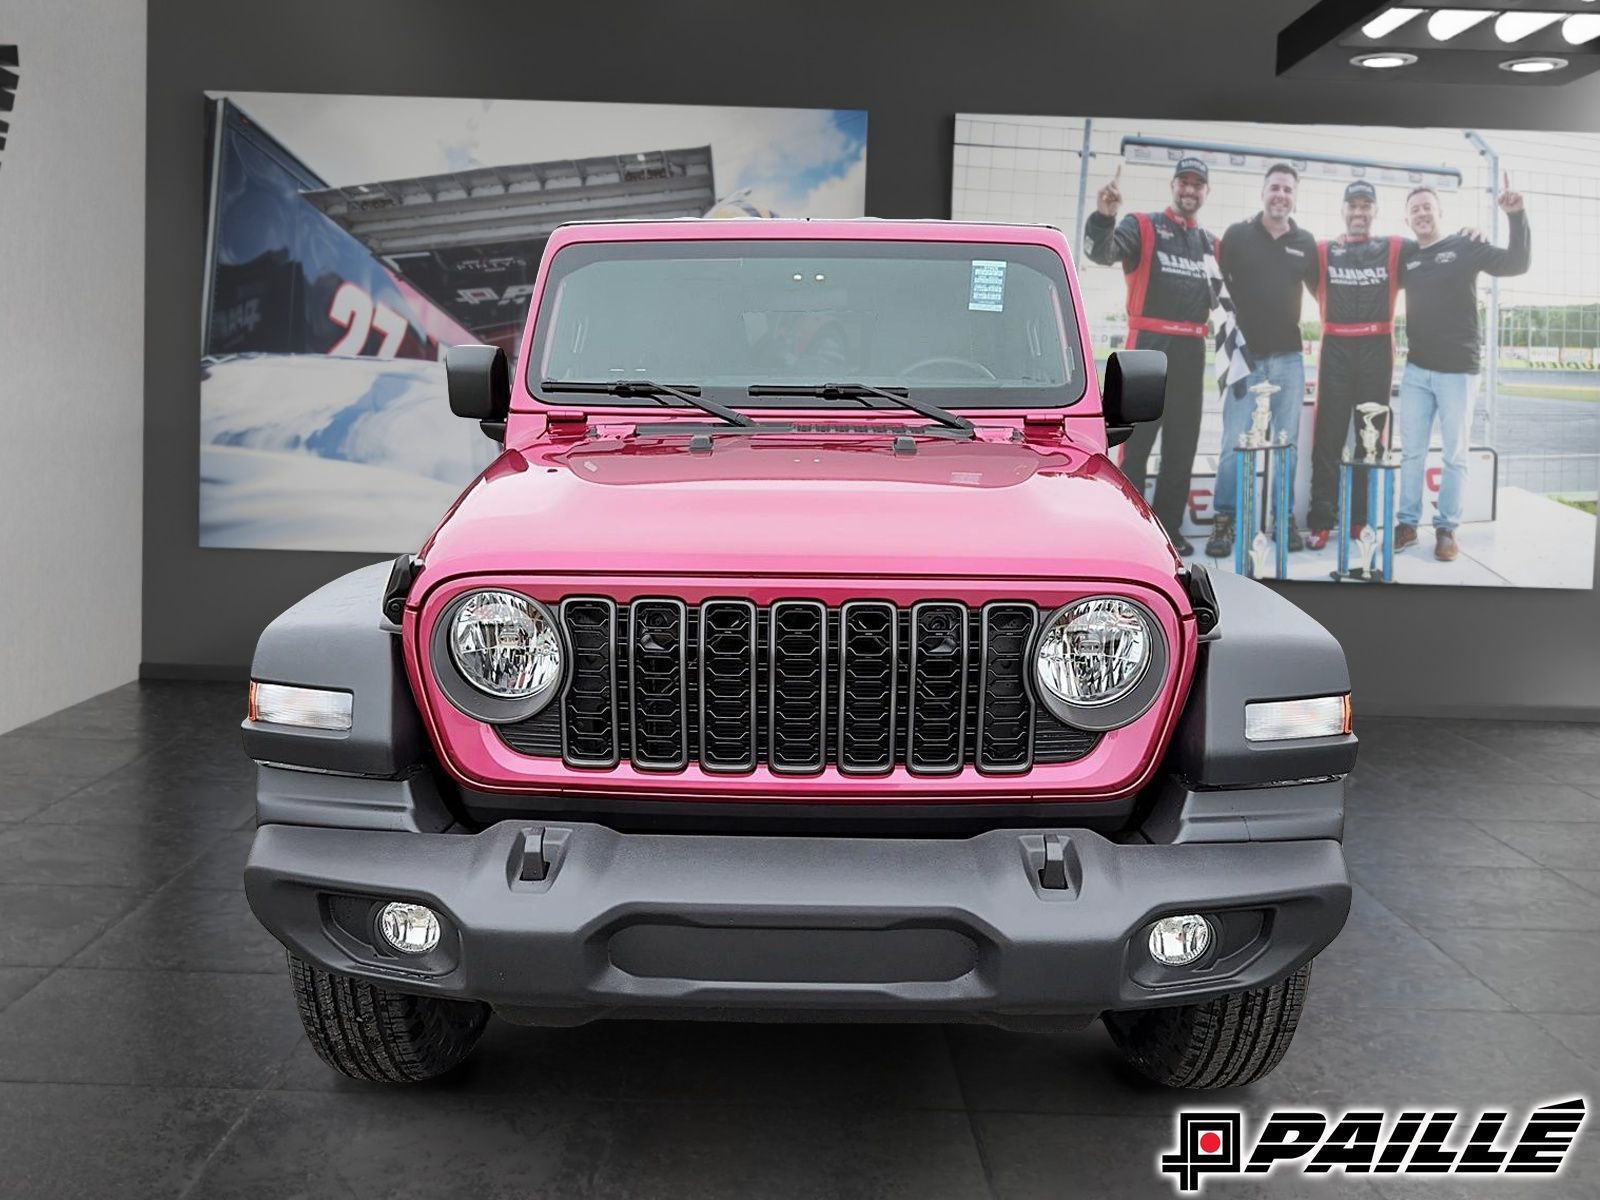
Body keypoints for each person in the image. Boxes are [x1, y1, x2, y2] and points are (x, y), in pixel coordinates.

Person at [1084, 156, 1216, 556]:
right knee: (1136, 447)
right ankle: (1130, 530)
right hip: (1147, 349)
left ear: (1205, 192)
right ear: (1173, 186)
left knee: (1182, 447)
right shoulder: (1142, 225)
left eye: (1197, 184)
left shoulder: (1212, 243)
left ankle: (1170, 532)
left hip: (1193, 352)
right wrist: (1104, 217)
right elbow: (1101, 253)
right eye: (1184, 183)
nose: (1190, 190)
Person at [1396, 174, 1530, 562]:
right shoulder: (1406, 255)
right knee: (1411, 454)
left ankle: (1446, 529)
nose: (1422, 214)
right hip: (1416, 371)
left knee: (1454, 454)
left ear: (1439, 212)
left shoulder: (1465, 244)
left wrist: (1516, 216)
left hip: (1458, 371)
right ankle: (1407, 523)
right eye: (1414, 210)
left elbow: (1516, 264)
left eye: (1427, 207)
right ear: (1407, 220)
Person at [1210, 163, 1318, 559]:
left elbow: (1327, 295)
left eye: (1288, 190)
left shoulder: (1305, 242)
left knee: (1285, 445)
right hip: (1245, 357)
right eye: (1275, 187)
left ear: (1294, 196)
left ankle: (1282, 517)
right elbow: (1214, 289)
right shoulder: (1238, 235)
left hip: (1289, 358)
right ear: (1263, 191)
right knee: (1233, 444)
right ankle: (1225, 517)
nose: (1281, 195)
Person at [1303, 180, 1405, 549]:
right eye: (1353, 206)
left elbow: (1432, 254)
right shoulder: (1321, 250)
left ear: (1375, 211)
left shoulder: (1394, 248)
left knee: (1369, 441)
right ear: (1343, 210)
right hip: (1335, 347)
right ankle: (1322, 519)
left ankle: (1360, 520)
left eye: (1366, 206)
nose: (1359, 212)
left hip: (1377, 349)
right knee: (1327, 438)